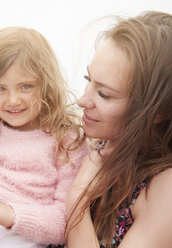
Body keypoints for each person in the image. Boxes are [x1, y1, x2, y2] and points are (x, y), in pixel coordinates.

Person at [0, 26, 89, 248]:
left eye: (25, 86)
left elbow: (62, 222)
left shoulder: (67, 139)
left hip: (26, 237)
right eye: (0, 89)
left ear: (46, 85)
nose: (12, 100)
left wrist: (7, 214)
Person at [66, 11, 172, 248]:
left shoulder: (165, 189)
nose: (82, 100)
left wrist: (77, 199)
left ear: (158, 112)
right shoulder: (100, 141)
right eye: (88, 78)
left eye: (104, 94)